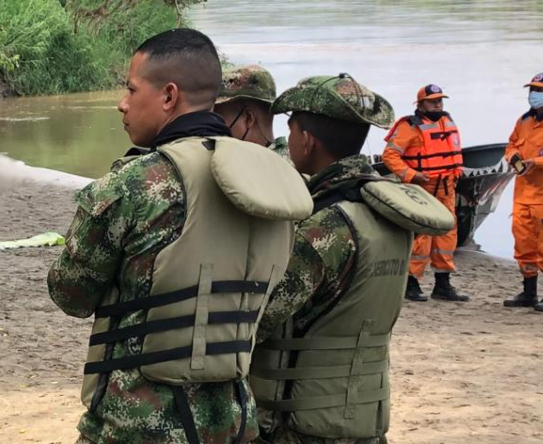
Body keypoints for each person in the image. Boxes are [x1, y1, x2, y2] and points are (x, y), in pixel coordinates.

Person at [48, 28, 310, 444]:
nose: (122, 103)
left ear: (169, 96)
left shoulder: (133, 183)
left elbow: (71, 294)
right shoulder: (273, 182)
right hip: (234, 421)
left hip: (136, 425)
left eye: (131, 90)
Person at [249, 74, 452, 444]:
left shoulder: (325, 225)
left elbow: (259, 320)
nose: (288, 140)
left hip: (303, 425)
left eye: (291, 130)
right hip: (364, 416)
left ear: (306, 139)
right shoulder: (388, 210)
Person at [382, 84, 466, 302]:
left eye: (440, 100)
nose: (438, 104)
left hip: (446, 187)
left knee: (447, 234)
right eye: (433, 101)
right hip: (422, 189)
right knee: (422, 235)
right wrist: (412, 175)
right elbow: (390, 156)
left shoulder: (447, 121)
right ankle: (411, 282)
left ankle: (443, 284)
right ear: (420, 104)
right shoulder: (409, 126)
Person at [502, 73, 543, 312]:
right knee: (524, 245)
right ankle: (529, 292)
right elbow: (511, 144)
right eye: (531, 89)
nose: (533, 94)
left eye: (539, 90)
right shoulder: (524, 120)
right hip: (523, 194)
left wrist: (538, 162)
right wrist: (513, 157)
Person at [213, 64, 290, 161]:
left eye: (219, 122)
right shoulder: (289, 162)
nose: (212, 131)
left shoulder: (263, 167)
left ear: (249, 118)